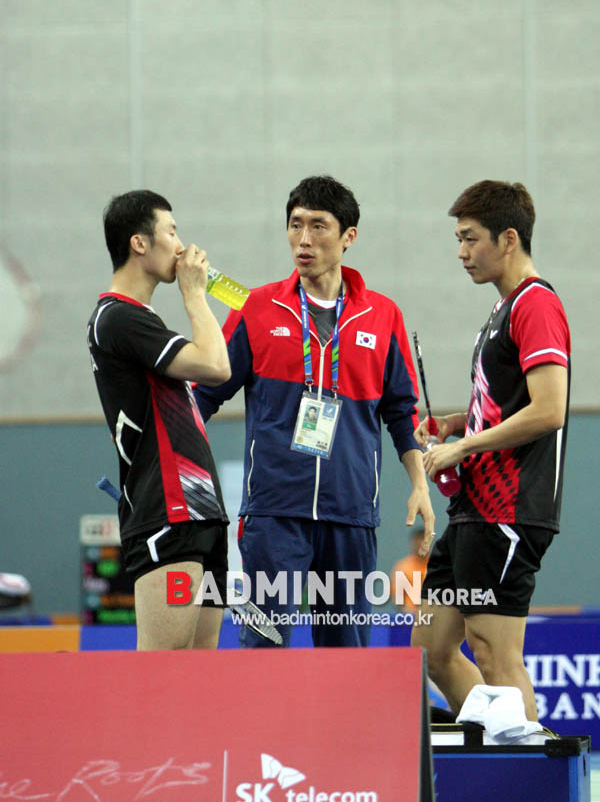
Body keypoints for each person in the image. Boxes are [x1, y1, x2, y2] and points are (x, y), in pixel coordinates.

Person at [194, 175, 435, 647]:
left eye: (318, 226)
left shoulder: (383, 316)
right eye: (295, 225)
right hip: (273, 514)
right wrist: (167, 463)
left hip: (351, 513)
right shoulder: (255, 308)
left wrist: (420, 484)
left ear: (348, 237)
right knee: (264, 647)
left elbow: (400, 410)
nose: (303, 239)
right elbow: (204, 395)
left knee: (346, 655)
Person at [411, 180, 570, 721]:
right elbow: (508, 403)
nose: (461, 252)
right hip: (473, 510)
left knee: (494, 653)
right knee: (431, 648)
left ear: (508, 239)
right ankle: (493, 742)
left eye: (469, 238)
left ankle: (526, 760)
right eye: (458, 239)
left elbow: (549, 409)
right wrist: (454, 423)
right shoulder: (502, 310)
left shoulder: (535, 304)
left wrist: (464, 446)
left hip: (508, 508)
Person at [87, 190, 231, 650]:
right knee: (162, 673)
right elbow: (215, 365)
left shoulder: (142, 321)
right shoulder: (117, 318)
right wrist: (195, 293)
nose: (181, 245)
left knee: (201, 675)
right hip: (165, 514)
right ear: (140, 243)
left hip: (201, 511)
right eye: (171, 231)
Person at [389, 527, 429, 612]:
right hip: (409, 616)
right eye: (418, 540)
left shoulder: (436, 566)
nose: (420, 544)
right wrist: (410, 613)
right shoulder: (402, 567)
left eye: (423, 540)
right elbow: (397, 598)